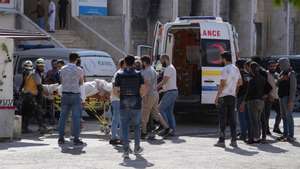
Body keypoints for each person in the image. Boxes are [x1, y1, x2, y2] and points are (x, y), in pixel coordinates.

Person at [113, 55, 146, 158]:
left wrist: (121, 97)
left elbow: (115, 91)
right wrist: (139, 97)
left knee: (124, 127)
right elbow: (143, 89)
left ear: (125, 63)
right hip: (136, 102)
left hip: (124, 102)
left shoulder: (119, 74)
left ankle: (126, 151)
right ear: (133, 63)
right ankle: (137, 148)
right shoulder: (139, 74)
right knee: (136, 126)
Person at [214, 52, 242, 148]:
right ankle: (233, 140)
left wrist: (217, 96)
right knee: (232, 119)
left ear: (224, 59)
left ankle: (221, 141)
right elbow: (240, 83)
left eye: (221, 59)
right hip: (232, 96)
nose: (221, 60)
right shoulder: (236, 68)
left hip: (224, 96)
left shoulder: (225, 69)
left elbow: (222, 84)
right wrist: (233, 89)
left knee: (222, 119)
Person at [140, 55, 172, 139]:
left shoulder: (147, 71)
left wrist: (143, 95)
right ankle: (167, 127)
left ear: (144, 62)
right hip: (155, 93)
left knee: (145, 113)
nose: (140, 64)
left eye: (141, 62)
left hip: (149, 94)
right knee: (155, 113)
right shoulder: (153, 70)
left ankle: (143, 132)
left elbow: (147, 85)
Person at [58, 53, 84, 146]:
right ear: (76, 59)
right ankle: (76, 139)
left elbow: (61, 81)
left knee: (63, 117)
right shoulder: (79, 69)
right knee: (76, 117)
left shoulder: (63, 69)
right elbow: (81, 82)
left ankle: (61, 138)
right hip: (75, 94)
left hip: (65, 94)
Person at [20, 60, 46, 133]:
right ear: (37, 66)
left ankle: (24, 128)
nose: (42, 67)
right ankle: (42, 127)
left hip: (28, 95)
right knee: (37, 111)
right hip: (30, 95)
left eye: (42, 66)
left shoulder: (34, 73)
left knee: (28, 112)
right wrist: (42, 96)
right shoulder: (35, 74)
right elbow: (39, 87)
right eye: (40, 66)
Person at [245, 62, 268, 144]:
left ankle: (254, 138)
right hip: (261, 101)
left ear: (251, 69)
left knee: (253, 121)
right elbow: (269, 87)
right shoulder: (263, 78)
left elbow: (248, 92)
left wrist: (244, 102)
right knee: (258, 120)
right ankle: (258, 137)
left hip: (253, 101)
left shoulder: (252, 79)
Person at [277, 58, 297, 142]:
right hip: (281, 97)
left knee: (289, 116)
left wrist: (291, 101)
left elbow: (293, 88)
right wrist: (280, 79)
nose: (279, 66)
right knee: (283, 116)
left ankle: (291, 135)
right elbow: (276, 83)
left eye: (280, 64)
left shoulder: (291, 73)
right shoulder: (281, 73)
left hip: (287, 97)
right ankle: (285, 134)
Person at [157, 54, 178, 136]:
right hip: (172, 91)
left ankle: (167, 128)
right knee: (169, 112)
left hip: (170, 92)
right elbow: (169, 83)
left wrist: (155, 88)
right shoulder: (171, 68)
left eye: (162, 61)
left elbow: (164, 81)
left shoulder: (169, 68)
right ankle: (172, 130)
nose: (161, 63)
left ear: (165, 59)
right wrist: (162, 90)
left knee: (159, 109)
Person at [109, 59, 125, 145]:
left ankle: (114, 137)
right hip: (118, 99)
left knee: (116, 119)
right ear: (123, 65)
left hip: (116, 98)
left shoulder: (118, 73)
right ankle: (118, 137)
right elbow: (115, 87)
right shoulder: (120, 73)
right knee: (120, 119)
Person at [264, 60, 282, 135]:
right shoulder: (265, 74)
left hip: (277, 97)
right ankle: (266, 129)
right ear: (268, 67)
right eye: (271, 66)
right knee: (267, 115)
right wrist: (268, 95)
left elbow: (278, 85)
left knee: (280, 113)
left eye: (274, 66)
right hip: (269, 97)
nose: (273, 67)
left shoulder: (277, 74)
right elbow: (263, 86)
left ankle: (276, 127)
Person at [236, 59, 249, 141]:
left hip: (241, 97)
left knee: (241, 117)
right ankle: (244, 132)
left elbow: (237, 86)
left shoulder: (238, 74)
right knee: (246, 116)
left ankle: (243, 135)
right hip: (247, 97)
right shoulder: (247, 74)